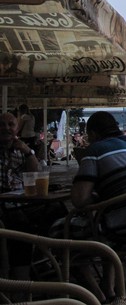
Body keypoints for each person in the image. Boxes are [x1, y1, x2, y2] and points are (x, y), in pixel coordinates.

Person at [70, 111, 126, 302]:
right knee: (106, 216)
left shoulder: (95, 150)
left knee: (62, 235)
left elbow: (78, 199)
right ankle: (108, 288)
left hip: (122, 232)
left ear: (92, 134)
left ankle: (101, 298)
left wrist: (96, 196)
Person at [0, 112, 64, 280]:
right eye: (2, 125)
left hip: (21, 200)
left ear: (17, 128)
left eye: (10, 125)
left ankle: (42, 254)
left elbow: (36, 175)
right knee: (19, 224)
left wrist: (28, 152)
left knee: (58, 210)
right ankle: (21, 277)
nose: (6, 128)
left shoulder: (21, 149)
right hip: (4, 205)